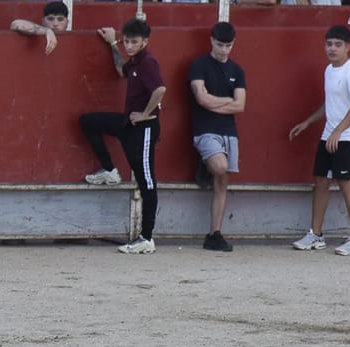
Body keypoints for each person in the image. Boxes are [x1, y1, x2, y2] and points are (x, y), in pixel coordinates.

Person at [77, 18, 166, 253]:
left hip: (144, 128)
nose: (129, 46)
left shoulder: (148, 62)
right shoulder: (136, 61)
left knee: (147, 180)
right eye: (126, 41)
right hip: (129, 124)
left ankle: (146, 237)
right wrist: (112, 44)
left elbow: (160, 89)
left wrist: (145, 114)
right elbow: (120, 70)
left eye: (134, 42)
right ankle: (109, 170)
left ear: (145, 42)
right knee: (88, 121)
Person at [287, 22, 350, 255]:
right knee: (321, 181)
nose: (332, 48)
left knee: (345, 183)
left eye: (338, 45)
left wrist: (338, 131)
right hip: (330, 134)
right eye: (329, 44)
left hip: (349, 137)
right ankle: (316, 234)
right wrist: (308, 122)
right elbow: (330, 104)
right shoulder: (329, 70)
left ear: (347, 47)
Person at [187, 21, 244, 251]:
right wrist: (228, 101)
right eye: (220, 45)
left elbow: (240, 105)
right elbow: (202, 99)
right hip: (205, 129)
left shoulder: (237, 70)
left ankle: (215, 233)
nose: (224, 50)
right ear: (212, 41)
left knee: (222, 180)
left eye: (228, 45)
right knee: (219, 167)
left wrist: (215, 102)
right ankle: (206, 164)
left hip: (229, 131)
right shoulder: (199, 65)